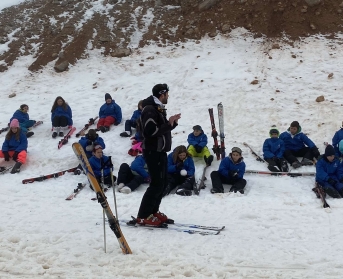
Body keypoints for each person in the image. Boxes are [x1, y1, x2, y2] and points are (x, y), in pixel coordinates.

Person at [136, 83, 181, 227]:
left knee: (161, 183)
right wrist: (168, 124)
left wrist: (171, 124)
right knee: (156, 184)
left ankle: (153, 211)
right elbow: (150, 132)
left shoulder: (158, 108)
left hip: (160, 151)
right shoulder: (150, 109)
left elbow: (160, 130)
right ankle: (143, 215)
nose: (168, 96)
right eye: (167, 94)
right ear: (162, 94)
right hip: (152, 151)